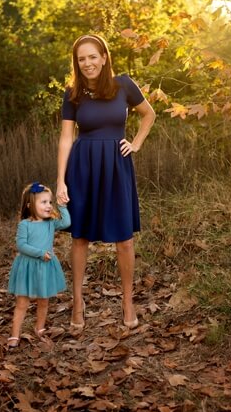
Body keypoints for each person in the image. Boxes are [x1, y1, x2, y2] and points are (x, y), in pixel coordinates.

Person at [56, 34, 156, 332]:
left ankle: (127, 302)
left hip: (116, 165)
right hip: (83, 166)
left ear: (103, 57)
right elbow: (65, 138)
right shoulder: (73, 93)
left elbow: (149, 114)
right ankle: (77, 301)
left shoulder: (123, 84)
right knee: (80, 237)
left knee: (124, 238)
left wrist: (135, 143)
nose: (87, 63)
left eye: (92, 57)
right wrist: (60, 181)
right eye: (81, 59)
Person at [7, 182, 71, 348]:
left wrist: (62, 206)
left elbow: (66, 223)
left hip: (45, 267)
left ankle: (40, 327)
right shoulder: (25, 225)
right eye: (43, 202)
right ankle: (15, 334)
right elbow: (21, 246)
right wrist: (40, 253)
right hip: (28, 267)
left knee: (44, 300)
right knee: (22, 302)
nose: (49, 206)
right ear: (30, 205)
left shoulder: (51, 223)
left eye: (50, 202)